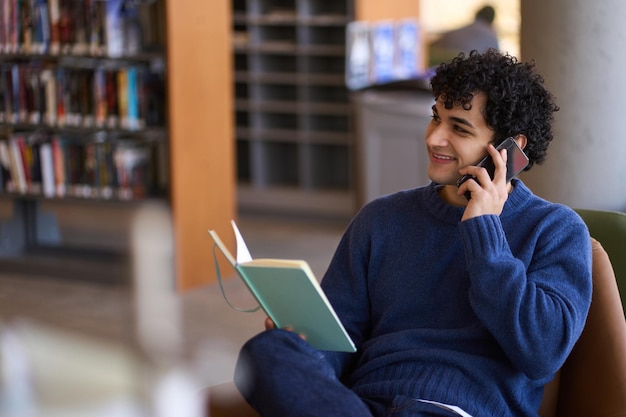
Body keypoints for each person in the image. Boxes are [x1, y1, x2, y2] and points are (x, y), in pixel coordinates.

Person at [233, 50, 593, 417]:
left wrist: (485, 232)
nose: (435, 138)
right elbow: (340, 338)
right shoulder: (381, 218)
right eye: (436, 118)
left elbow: (542, 353)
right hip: (362, 406)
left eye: (459, 128)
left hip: (457, 410)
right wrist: (309, 349)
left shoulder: (555, 229)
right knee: (267, 350)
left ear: (511, 148)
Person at [429, 5, 499, 67]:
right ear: (492, 20)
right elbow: (496, 62)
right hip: (466, 72)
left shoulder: (458, 31)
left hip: (441, 69)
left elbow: (431, 46)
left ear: (477, 14)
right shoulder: (491, 36)